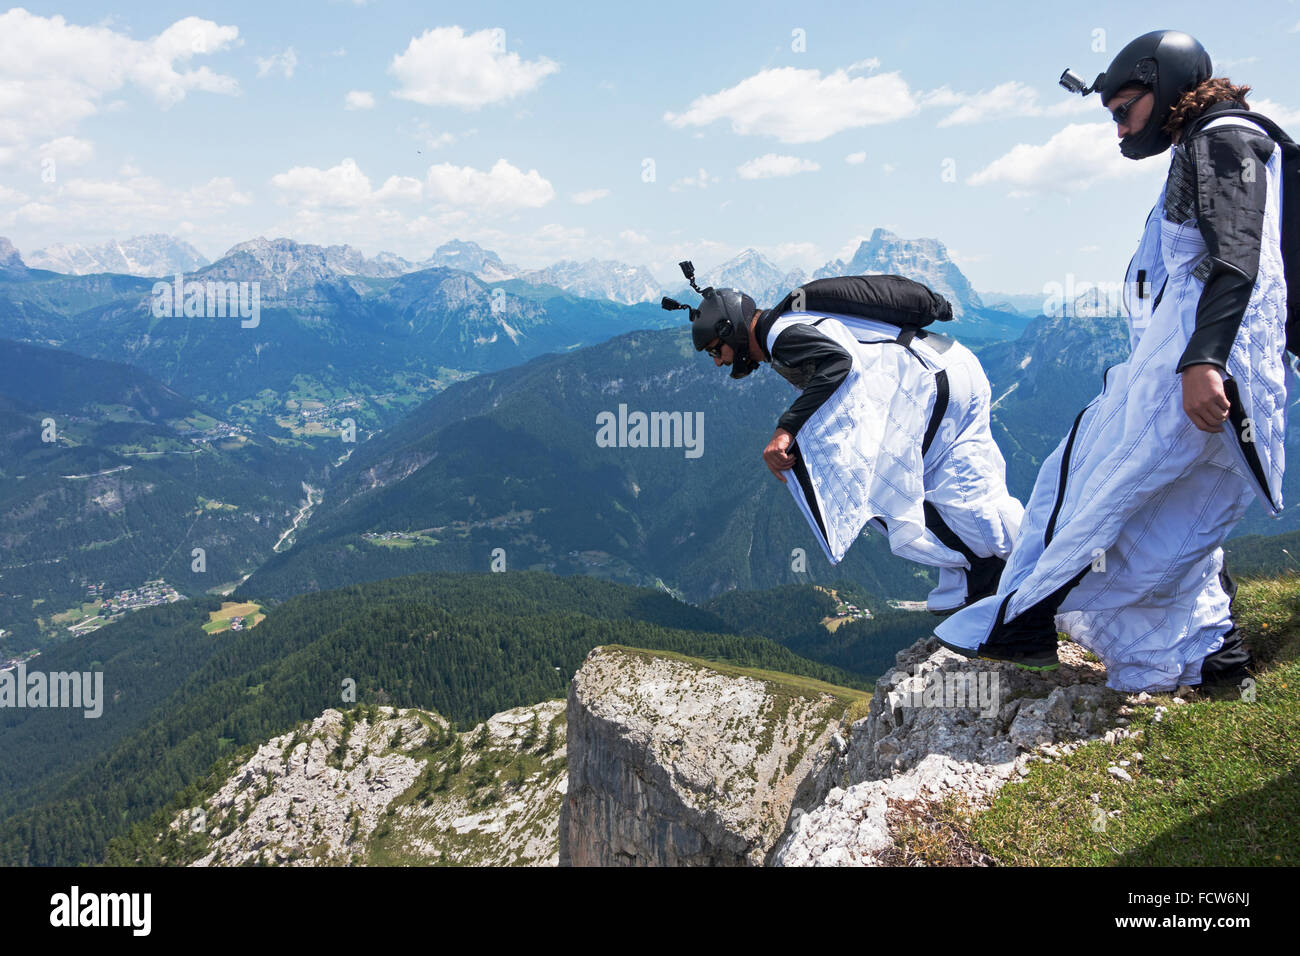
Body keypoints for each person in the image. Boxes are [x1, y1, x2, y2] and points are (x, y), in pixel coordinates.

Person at [936, 30, 1286, 692]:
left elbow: (1237, 257)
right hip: (1201, 374)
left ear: (1164, 84)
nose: (1118, 128)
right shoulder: (1217, 140)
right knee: (1162, 519)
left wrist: (1202, 361)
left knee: (1098, 501)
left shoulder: (1223, 138)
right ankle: (1203, 660)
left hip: (1194, 375)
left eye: (1122, 109)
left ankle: (1027, 620)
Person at [663, 269, 1024, 614]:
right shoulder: (793, 318)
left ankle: (983, 571)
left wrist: (785, 429)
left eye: (715, 350)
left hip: (926, 388)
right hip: (957, 368)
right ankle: (1026, 565)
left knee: (877, 495)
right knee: (967, 491)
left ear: (732, 332)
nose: (717, 362)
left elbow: (838, 362)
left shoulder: (780, 334)